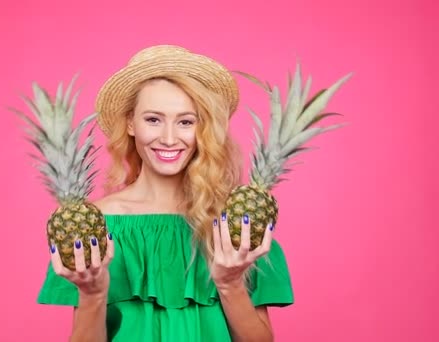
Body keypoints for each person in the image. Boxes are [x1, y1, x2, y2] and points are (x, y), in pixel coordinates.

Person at [36, 45, 294, 341]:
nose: (169, 139)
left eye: (186, 121)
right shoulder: (98, 227)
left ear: (203, 129)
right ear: (131, 123)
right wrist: (92, 295)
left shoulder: (236, 224)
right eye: (153, 120)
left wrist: (230, 283)